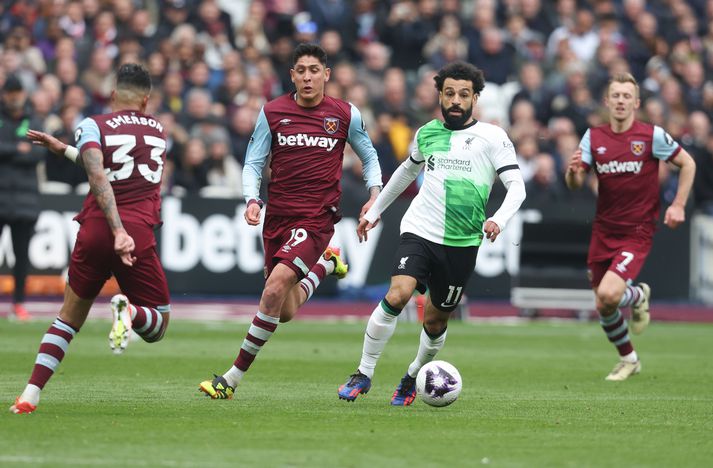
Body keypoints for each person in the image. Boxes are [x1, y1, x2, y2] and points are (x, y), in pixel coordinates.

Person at [199, 43, 383, 400]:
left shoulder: (345, 114)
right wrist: (252, 198)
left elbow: (370, 157)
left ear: (326, 74)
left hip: (317, 218)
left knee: (273, 288)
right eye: (301, 70)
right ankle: (326, 266)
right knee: (283, 309)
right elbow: (253, 162)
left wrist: (374, 195)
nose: (308, 77)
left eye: (315, 70)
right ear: (292, 76)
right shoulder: (272, 112)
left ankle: (231, 378)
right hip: (277, 218)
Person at [337, 61, 527, 405]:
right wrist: (376, 209)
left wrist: (498, 218)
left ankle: (412, 376)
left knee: (436, 321)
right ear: (439, 95)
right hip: (419, 229)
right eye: (449, 93)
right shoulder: (427, 133)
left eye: (464, 95)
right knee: (398, 294)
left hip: (462, 242)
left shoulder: (493, 137)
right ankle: (363, 373)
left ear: (475, 98)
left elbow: (517, 187)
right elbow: (406, 174)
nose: (456, 100)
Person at [10, 63, 172, 414]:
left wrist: (71, 150)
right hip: (136, 232)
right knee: (158, 323)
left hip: (96, 229)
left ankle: (29, 396)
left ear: (113, 95)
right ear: (145, 101)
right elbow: (118, 171)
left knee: (67, 318)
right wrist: (123, 233)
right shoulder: (159, 131)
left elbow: (99, 173)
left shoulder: (91, 125)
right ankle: (127, 310)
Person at [565, 73, 696, 381]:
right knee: (603, 303)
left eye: (627, 96)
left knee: (610, 294)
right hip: (603, 230)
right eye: (616, 95)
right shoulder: (593, 137)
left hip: (636, 231)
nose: (621, 101)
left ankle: (636, 295)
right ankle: (630, 359)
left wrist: (677, 204)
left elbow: (688, 163)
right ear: (607, 101)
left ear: (636, 103)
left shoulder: (651, 136)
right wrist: (572, 173)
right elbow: (575, 182)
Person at [0, 75, 45, 321]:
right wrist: (18, 147)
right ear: (4, 94)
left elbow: (38, 154)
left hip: (25, 202)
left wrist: (8, 150)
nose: (14, 96)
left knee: (21, 256)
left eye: (18, 91)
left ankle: (18, 303)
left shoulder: (34, 120)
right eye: (11, 92)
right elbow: (25, 151)